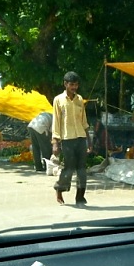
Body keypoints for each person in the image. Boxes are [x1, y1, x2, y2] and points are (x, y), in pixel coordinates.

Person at [52, 71, 92, 205]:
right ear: (65, 84)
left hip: (81, 138)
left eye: (76, 85)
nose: (74, 87)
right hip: (67, 139)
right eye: (71, 85)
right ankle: (59, 189)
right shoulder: (58, 100)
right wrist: (55, 143)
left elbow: (84, 121)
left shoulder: (80, 99)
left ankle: (80, 196)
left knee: (82, 169)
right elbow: (56, 122)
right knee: (69, 168)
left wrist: (89, 139)